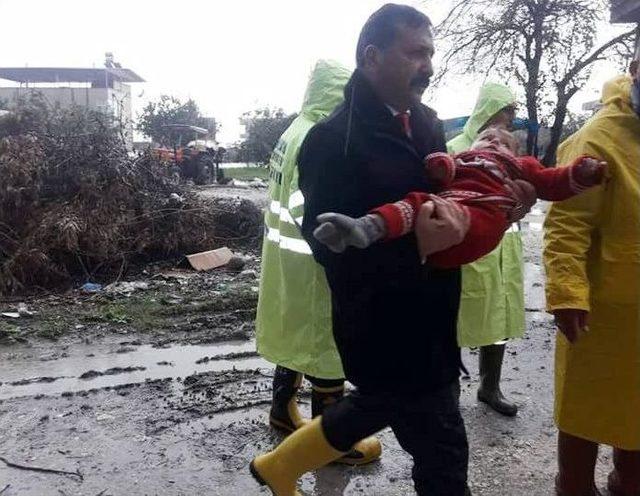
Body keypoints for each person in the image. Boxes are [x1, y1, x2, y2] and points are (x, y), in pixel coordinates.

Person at [249, 5, 534, 495]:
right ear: (372, 56)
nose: (428, 65)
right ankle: (281, 465)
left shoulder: (426, 122)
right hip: (382, 326)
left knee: (380, 407)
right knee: (443, 455)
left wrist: (500, 203)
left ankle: (279, 467)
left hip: (433, 318)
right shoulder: (330, 141)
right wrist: (417, 247)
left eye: (431, 53)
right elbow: (330, 253)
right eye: (415, 53)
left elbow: (449, 198)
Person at [255, 59, 382, 465]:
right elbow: (308, 203)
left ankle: (282, 412)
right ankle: (331, 442)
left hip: (286, 260)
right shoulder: (318, 135)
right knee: (325, 345)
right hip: (314, 264)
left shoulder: (293, 129)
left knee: (294, 337)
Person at [312, 126, 605, 267]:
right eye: (488, 137)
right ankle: (368, 226)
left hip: (482, 215)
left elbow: (553, 182)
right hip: (447, 206)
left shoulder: (521, 166)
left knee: (469, 222)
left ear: (516, 154)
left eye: (504, 143)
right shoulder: (461, 156)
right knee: (418, 201)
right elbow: (439, 168)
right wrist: (439, 165)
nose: (494, 141)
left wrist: (582, 173)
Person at [544, 69, 640, 495]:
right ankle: (573, 486)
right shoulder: (598, 138)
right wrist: (566, 294)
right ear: (636, 70)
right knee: (584, 419)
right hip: (602, 316)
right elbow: (566, 223)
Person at [448, 83, 527, 416]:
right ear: (489, 110)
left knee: (499, 321)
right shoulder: (454, 148)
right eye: (506, 110)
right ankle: (447, 395)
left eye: (513, 112)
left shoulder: (508, 151)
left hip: (503, 251)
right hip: (467, 254)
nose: (510, 119)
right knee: (453, 324)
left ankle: (489, 387)